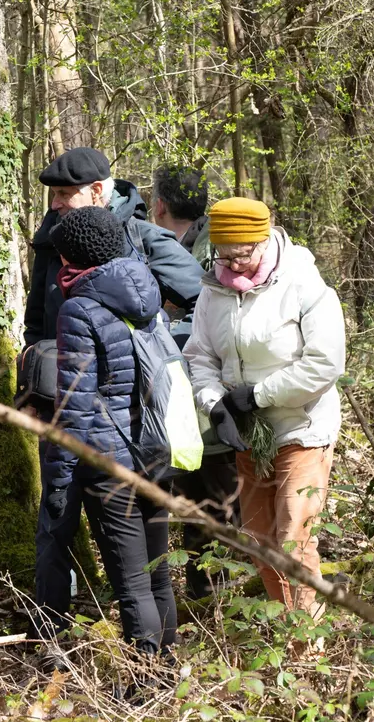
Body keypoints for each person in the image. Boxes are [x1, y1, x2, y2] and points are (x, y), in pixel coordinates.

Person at [23, 147, 203, 639]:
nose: (56, 203)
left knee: (135, 580)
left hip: (105, 445)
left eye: (66, 193)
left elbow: (202, 301)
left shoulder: (128, 255)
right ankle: (64, 638)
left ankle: (148, 670)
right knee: (145, 569)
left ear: (98, 192)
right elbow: (37, 323)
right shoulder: (68, 250)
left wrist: (60, 476)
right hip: (135, 439)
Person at [184, 198, 345, 616]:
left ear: (263, 240)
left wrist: (258, 395)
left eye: (243, 255)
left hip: (301, 427)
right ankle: (287, 623)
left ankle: (306, 640)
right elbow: (199, 355)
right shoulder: (214, 289)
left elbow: (325, 362)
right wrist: (215, 405)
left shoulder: (302, 282)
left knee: (294, 540)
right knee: (260, 541)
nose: (234, 266)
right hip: (249, 433)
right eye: (224, 256)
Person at [46, 206, 177, 662]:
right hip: (157, 447)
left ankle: (146, 680)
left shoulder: (78, 309)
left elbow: (75, 406)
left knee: (133, 582)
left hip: (109, 462)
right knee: (158, 573)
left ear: (70, 256)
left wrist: (59, 480)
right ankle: (168, 667)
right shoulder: (148, 292)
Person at [151, 165, 237, 599]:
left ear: (159, 206)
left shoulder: (216, 250)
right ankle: (206, 597)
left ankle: (224, 596)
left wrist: (166, 323)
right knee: (194, 502)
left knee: (221, 500)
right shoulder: (164, 246)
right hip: (179, 405)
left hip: (219, 401)